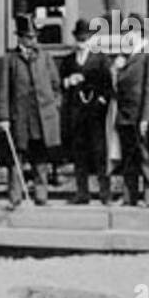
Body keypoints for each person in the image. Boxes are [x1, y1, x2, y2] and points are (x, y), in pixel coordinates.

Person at [0, 14, 62, 207]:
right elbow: (3, 91)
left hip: (42, 116)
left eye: (35, 37)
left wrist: (54, 106)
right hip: (20, 117)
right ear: (20, 38)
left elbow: (56, 85)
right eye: (29, 37)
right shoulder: (10, 60)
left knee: (40, 156)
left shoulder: (45, 57)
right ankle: (15, 197)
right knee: (16, 157)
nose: (33, 41)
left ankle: (41, 195)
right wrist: (4, 117)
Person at [111, 13, 149, 206]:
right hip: (125, 116)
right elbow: (117, 90)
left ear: (140, 34)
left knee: (145, 156)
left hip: (141, 115)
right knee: (129, 157)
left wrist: (146, 118)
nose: (126, 38)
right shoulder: (125, 59)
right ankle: (128, 196)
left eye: (130, 33)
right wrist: (115, 71)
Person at [60, 18, 114, 204]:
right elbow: (60, 84)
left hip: (96, 114)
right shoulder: (68, 61)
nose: (82, 42)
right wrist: (68, 81)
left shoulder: (100, 59)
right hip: (76, 113)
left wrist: (101, 100)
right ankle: (82, 192)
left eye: (85, 39)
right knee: (79, 153)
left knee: (100, 153)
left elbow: (108, 86)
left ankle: (105, 193)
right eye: (79, 39)